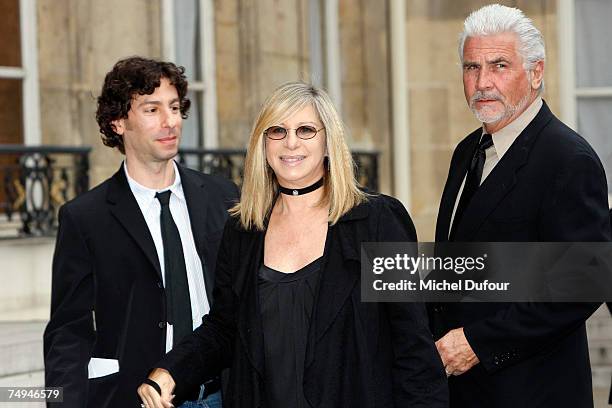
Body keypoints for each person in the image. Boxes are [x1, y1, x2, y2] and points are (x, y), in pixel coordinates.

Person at [137, 82, 449, 407]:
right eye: (277, 131)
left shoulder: (378, 222)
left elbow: (413, 346)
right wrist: (172, 370)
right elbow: (225, 328)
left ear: (329, 141)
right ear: (263, 144)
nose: (290, 143)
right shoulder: (244, 230)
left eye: (306, 130)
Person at [429, 4, 611, 408]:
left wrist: (478, 342)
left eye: (499, 65)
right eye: (471, 67)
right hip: (459, 393)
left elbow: (582, 284)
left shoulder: (568, 159)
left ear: (536, 72)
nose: (482, 82)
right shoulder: (466, 153)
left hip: (532, 391)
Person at [43, 56, 238, 407]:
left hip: (223, 394)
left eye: (175, 107)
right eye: (152, 110)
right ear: (118, 121)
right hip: (135, 398)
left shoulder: (224, 198)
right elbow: (67, 333)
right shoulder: (85, 218)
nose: (170, 122)